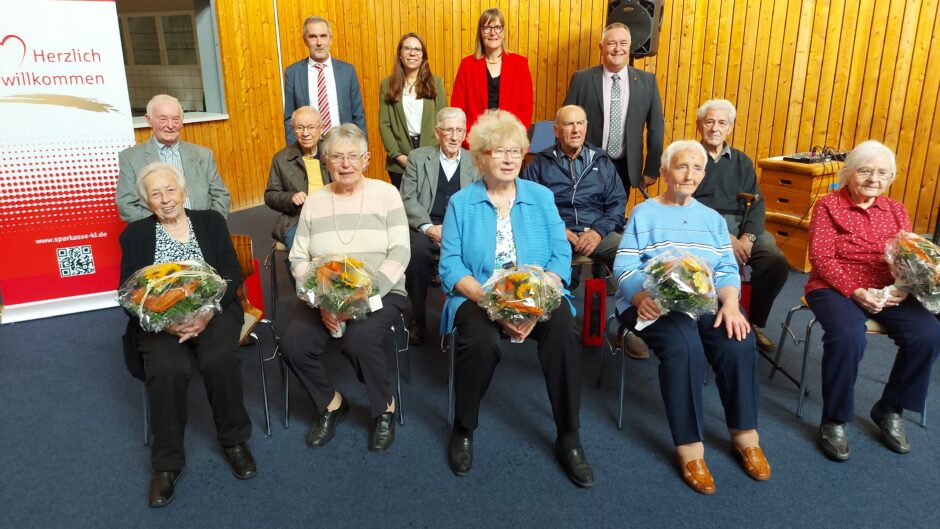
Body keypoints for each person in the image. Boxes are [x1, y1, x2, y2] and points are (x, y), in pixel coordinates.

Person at [439, 110, 593, 488]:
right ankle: (464, 426)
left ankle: (569, 435)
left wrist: (537, 301)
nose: (509, 159)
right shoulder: (462, 202)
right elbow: (450, 267)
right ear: (481, 157)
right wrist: (495, 305)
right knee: (480, 340)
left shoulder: (540, 196)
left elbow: (560, 253)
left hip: (537, 294)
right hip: (480, 297)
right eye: (498, 151)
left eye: (515, 150)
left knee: (563, 332)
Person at [613, 140, 770, 495]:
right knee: (685, 348)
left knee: (738, 338)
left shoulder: (712, 220)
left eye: (697, 168)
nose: (689, 174)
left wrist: (730, 304)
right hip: (653, 304)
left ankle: (745, 435)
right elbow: (623, 266)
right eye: (681, 167)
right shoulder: (644, 213)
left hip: (705, 301)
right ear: (665, 172)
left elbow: (728, 268)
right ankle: (690, 448)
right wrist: (640, 297)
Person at [119, 162, 255, 508]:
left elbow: (230, 272)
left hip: (213, 311)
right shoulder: (134, 236)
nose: (165, 199)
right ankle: (167, 465)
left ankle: (234, 441)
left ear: (183, 191)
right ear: (146, 202)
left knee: (219, 359)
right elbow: (128, 293)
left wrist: (207, 313)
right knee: (167, 369)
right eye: (155, 194)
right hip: (161, 320)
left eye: (170, 190)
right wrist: (162, 320)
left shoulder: (210, 222)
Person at [805, 140, 940, 462]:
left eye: (882, 173)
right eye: (865, 171)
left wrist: (904, 287)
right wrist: (854, 291)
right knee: (848, 337)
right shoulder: (828, 205)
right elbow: (821, 258)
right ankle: (834, 420)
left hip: (887, 287)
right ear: (849, 173)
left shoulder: (895, 209)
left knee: (928, 334)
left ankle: (890, 407)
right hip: (833, 286)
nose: (873, 179)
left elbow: (909, 256)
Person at [281, 124, 410, 453]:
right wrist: (323, 300)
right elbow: (298, 257)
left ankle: (384, 408)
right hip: (324, 294)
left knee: (359, 341)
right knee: (294, 342)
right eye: (337, 156)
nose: (345, 163)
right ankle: (331, 403)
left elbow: (400, 252)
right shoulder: (316, 201)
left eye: (353, 156)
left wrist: (358, 299)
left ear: (366, 160)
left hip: (381, 291)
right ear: (326, 161)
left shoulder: (386, 194)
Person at [692, 99, 789, 353]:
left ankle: (754, 321)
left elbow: (757, 204)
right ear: (699, 124)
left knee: (774, 260)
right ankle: (706, 323)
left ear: (730, 128)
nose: (715, 128)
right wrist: (727, 238)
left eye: (721, 123)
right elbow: (684, 204)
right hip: (701, 228)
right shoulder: (689, 157)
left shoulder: (743, 162)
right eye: (710, 121)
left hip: (742, 227)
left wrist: (748, 237)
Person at [400, 107, 481, 344]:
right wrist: (428, 227)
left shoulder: (474, 161)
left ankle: (466, 316)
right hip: (425, 227)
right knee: (415, 254)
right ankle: (418, 316)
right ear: (437, 132)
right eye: (448, 130)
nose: (454, 137)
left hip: (462, 229)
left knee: (476, 253)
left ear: (465, 133)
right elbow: (407, 198)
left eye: (459, 130)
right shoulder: (418, 157)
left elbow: (477, 202)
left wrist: (455, 229)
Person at [563, 22, 664, 192]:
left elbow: (656, 128)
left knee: (615, 216)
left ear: (630, 46)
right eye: (611, 43)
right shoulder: (582, 79)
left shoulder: (648, 82)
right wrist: (565, 162)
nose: (618, 49)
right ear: (601, 47)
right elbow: (565, 122)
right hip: (585, 164)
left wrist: (652, 169)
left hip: (625, 167)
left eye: (623, 43)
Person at [116, 94, 230, 222]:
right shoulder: (131, 158)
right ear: (149, 120)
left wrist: (212, 225)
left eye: (176, 119)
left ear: (182, 122)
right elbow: (126, 204)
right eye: (163, 119)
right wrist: (166, 229)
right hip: (157, 234)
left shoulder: (203, 155)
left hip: (202, 228)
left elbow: (221, 196)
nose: (170, 125)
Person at [450, 7, 533, 146]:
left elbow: (525, 109)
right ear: (480, 33)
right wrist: (469, 141)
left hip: (509, 142)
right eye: (487, 28)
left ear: (503, 32)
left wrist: (512, 139)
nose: (493, 33)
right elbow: (458, 107)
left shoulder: (520, 64)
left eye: (497, 27)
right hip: (474, 143)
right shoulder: (467, 65)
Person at [378, 32, 448, 188]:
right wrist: (397, 155)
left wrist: (436, 153)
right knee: (403, 207)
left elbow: (444, 122)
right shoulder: (387, 84)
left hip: (431, 155)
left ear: (423, 56)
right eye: (407, 48)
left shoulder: (436, 83)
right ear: (400, 55)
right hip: (399, 157)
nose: (412, 53)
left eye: (417, 49)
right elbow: (384, 124)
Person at [283, 16, 366, 143]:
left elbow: (358, 115)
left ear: (330, 39)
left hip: (342, 145)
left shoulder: (347, 71)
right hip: (309, 147)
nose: (319, 42)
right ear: (305, 41)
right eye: (313, 37)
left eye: (323, 36)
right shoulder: (293, 73)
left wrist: (362, 149)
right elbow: (290, 119)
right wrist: (293, 154)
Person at [264, 106, 330, 252]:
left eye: (311, 127)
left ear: (321, 128)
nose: (305, 133)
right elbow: (269, 195)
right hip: (297, 219)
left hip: (332, 214)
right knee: (298, 254)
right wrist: (290, 198)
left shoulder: (332, 154)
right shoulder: (282, 158)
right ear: (292, 129)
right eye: (300, 128)